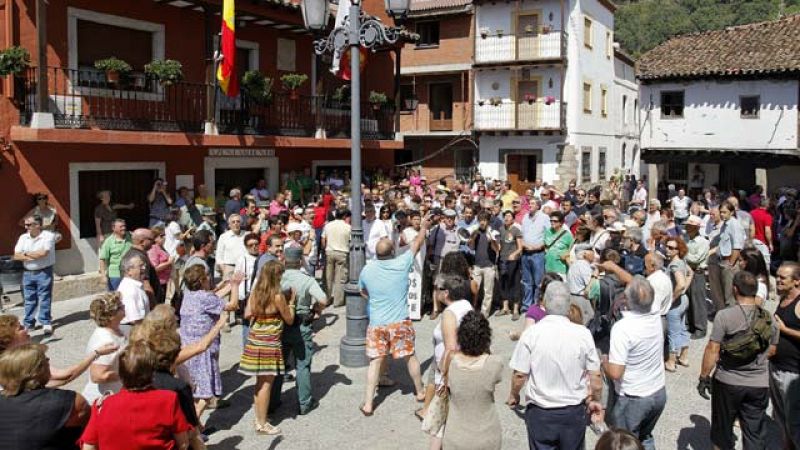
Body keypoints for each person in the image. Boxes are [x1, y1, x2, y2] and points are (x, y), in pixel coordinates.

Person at [508, 281, 603, 450]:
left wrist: (514, 394)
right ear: (569, 305)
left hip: (541, 412)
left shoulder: (531, 333)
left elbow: (520, 374)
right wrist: (595, 399)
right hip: (573, 411)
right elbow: (595, 377)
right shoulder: (583, 334)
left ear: (544, 303)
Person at [359, 213, 430, 416]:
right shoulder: (401, 263)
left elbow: (362, 291)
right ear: (392, 252)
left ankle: (368, 403)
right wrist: (423, 227)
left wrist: (374, 299)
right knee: (410, 356)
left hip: (377, 323)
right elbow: (417, 243)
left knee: (375, 360)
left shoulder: (367, 269)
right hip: (400, 321)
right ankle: (420, 391)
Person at [698, 271, 779, 450]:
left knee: (722, 430)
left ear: (735, 289)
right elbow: (773, 350)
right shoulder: (768, 319)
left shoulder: (724, 316)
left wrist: (704, 376)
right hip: (759, 384)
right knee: (754, 432)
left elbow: (712, 349)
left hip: (728, 381)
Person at [79, 341, 193, 449]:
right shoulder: (168, 400)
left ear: (121, 373)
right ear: (152, 372)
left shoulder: (102, 406)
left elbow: (88, 446)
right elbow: (183, 443)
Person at [603, 277, 667, 450]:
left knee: (624, 442)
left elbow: (615, 372)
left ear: (627, 300)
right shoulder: (654, 312)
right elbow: (640, 288)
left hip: (634, 397)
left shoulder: (623, 328)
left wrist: (604, 362)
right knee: (645, 437)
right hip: (658, 392)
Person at [240, 260, 296, 436]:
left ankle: (259, 418)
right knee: (266, 384)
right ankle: (262, 424)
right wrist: (292, 302)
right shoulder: (277, 296)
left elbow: (247, 314)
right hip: (269, 343)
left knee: (259, 382)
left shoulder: (255, 293)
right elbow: (289, 319)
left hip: (255, 340)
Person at [270, 246, 327, 416]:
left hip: (280, 324)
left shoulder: (277, 278)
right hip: (301, 323)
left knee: (279, 364)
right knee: (302, 364)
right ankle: (305, 402)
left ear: (284, 260)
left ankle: (272, 401)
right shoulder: (307, 279)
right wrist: (316, 309)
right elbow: (323, 299)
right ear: (300, 261)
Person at [179, 265, 240, 422]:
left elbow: (213, 297)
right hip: (203, 350)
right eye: (207, 276)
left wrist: (227, 285)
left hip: (188, 348)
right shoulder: (205, 298)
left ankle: (193, 424)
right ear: (201, 280)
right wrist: (235, 286)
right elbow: (232, 305)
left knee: (194, 389)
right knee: (206, 394)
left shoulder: (189, 295)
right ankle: (194, 423)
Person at [0, 344, 89, 450]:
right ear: (36, 371)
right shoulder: (70, 401)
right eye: (45, 360)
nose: (48, 360)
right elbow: (89, 433)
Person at [420, 274, 474, 441]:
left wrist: (443, 377)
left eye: (438, 289)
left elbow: (450, 348)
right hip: (456, 364)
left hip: (448, 369)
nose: (435, 291)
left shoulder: (450, 313)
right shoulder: (466, 304)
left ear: (446, 293)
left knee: (439, 427)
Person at [442, 311, 505, 450]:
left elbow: (445, 383)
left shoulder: (449, 360)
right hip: (487, 437)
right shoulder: (495, 363)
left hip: (455, 436)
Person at [771, 262, 800, 449]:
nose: (778, 280)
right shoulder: (783, 299)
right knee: (781, 418)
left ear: (796, 281)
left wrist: (784, 329)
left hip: (792, 372)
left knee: (795, 422)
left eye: (783, 278)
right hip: (776, 367)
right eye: (778, 276)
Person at [13, 214, 57, 334]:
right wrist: (33, 255)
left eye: (28, 225)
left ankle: (45, 322)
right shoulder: (23, 237)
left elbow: (43, 253)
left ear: (37, 225)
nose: (26, 227)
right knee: (29, 299)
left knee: (44, 298)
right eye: (25, 224)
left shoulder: (48, 236)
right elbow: (16, 255)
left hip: (44, 271)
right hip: (27, 272)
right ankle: (29, 323)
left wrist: (25, 254)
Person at [82, 292, 128, 404]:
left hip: (115, 393)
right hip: (104, 399)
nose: (124, 306)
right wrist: (127, 375)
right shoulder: (106, 340)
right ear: (111, 316)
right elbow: (98, 376)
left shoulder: (115, 329)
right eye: (120, 307)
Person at [664, 236, 692, 372]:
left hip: (676, 304)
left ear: (678, 250)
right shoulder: (682, 261)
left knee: (673, 332)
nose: (667, 249)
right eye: (666, 246)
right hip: (684, 300)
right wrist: (684, 289)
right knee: (682, 328)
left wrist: (672, 299)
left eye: (671, 248)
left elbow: (680, 284)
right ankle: (684, 356)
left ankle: (671, 361)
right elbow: (690, 273)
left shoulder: (674, 264)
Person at [468, 211, 499, 316]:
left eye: (484, 220)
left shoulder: (493, 232)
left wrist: (492, 240)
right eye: (480, 220)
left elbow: (497, 249)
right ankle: (472, 309)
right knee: (473, 289)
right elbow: (471, 247)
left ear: (488, 221)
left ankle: (484, 314)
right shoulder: (476, 232)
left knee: (488, 292)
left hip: (489, 266)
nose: (482, 222)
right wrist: (472, 237)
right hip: (477, 265)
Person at [521, 199, 549, 310]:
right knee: (526, 281)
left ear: (538, 206)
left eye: (532, 203)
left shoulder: (544, 218)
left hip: (538, 254)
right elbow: (521, 234)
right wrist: (524, 244)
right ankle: (526, 305)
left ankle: (537, 305)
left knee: (538, 282)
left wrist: (537, 247)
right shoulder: (525, 217)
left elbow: (548, 236)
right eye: (529, 203)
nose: (529, 205)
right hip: (525, 253)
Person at [322, 209, 351, 307]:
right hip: (342, 253)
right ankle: (338, 301)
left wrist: (325, 249)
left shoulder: (328, 225)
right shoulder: (348, 227)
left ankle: (327, 298)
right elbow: (350, 241)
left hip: (329, 252)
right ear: (344, 216)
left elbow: (323, 240)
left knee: (328, 277)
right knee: (340, 278)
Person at [498, 210, 523, 320]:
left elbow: (520, 248)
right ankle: (505, 308)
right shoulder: (501, 229)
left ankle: (516, 310)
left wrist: (514, 254)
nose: (506, 218)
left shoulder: (516, 230)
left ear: (513, 219)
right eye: (505, 216)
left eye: (509, 216)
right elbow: (499, 245)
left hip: (513, 261)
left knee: (514, 284)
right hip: (502, 260)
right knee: (503, 283)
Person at [116, 254, 150, 333]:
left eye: (144, 265)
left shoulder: (134, 285)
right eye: (140, 266)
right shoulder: (130, 290)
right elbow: (135, 320)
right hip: (134, 332)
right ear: (129, 271)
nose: (144, 268)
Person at [98, 219, 132, 291]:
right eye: (121, 226)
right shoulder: (108, 242)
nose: (123, 228)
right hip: (115, 275)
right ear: (113, 228)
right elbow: (102, 259)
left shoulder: (130, 237)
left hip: (129, 273)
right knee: (116, 295)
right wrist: (103, 276)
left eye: (124, 226)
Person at [215, 214, 246, 280]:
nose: (236, 223)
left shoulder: (247, 235)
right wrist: (224, 270)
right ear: (229, 225)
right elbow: (219, 256)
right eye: (233, 222)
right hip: (229, 268)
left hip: (244, 268)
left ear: (241, 223)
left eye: (238, 221)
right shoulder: (223, 237)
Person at [544, 211, 573, 277]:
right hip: (548, 267)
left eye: (555, 221)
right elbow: (545, 245)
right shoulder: (547, 232)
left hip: (561, 268)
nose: (552, 223)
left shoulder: (567, 235)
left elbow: (572, 249)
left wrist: (565, 255)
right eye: (551, 221)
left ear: (561, 223)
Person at [148, 225, 172, 305]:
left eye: (164, 235)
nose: (164, 237)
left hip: (164, 282)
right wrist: (169, 263)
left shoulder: (161, 247)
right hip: (158, 283)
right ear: (155, 238)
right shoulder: (153, 249)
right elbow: (155, 268)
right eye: (161, 236)